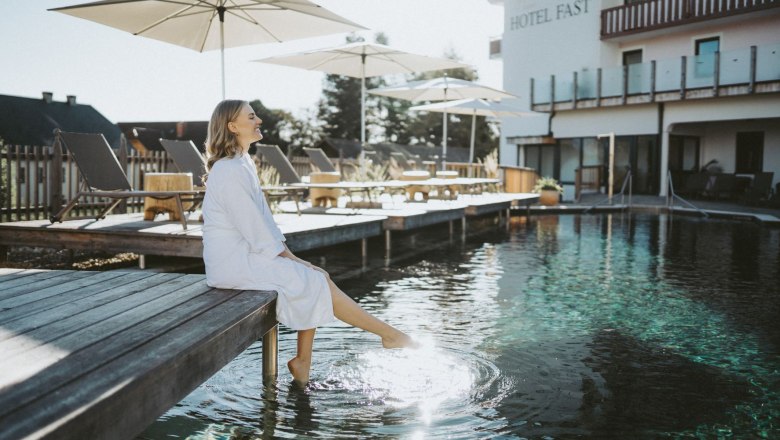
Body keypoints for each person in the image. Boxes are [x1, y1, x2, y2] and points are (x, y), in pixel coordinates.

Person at [201, 100, 415, 385]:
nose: (259, 121)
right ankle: (389, 335)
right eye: (251, 117)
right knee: (312, 278)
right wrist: (294, 260)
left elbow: (264, 222)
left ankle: (305, 362)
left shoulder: (243, 163)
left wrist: (292, 258)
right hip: (232, 263)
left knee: (313, 277)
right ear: (232, 126)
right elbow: (253, 227)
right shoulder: (229, 170)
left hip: (248, 254)